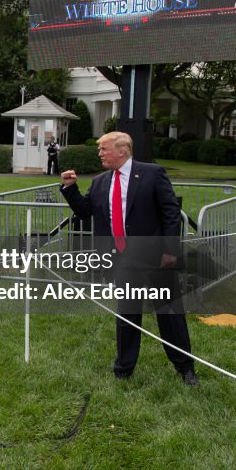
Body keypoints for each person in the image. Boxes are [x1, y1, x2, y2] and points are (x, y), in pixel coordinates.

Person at [60, 131, 197, 386]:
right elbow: (85, 211)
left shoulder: (152, 173)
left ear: (121, 151)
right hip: (122, 259)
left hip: (156, 258)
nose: (99, 153)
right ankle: (123, 369)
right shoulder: (101, 181)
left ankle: (185, 368)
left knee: (169, 315)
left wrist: (169, 250)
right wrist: (70, 189)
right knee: (127, 315)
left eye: (103, 149)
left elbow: (170, 212)